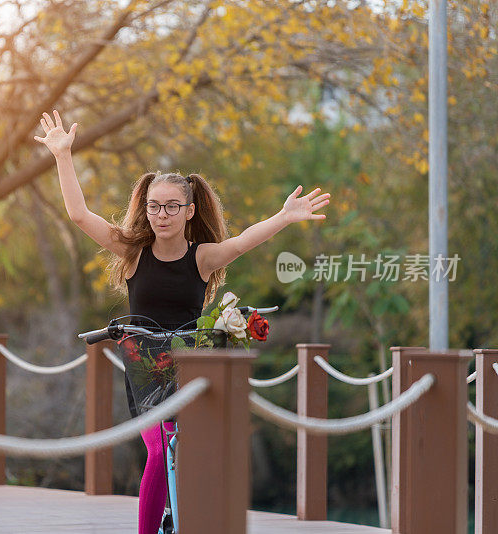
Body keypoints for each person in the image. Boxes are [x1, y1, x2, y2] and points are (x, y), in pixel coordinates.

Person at [34, 109, 330, 534]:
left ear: (190, 210)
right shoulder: (133, 251)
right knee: (158, 452)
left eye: (172, 206)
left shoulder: (203, 257)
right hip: (144, 362)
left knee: (197, 451)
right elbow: (80, 215)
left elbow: (244, 242)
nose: (162, 214)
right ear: (146, 208)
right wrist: (63, 155)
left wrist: (284, 216)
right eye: (154, 206)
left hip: (194, 360)